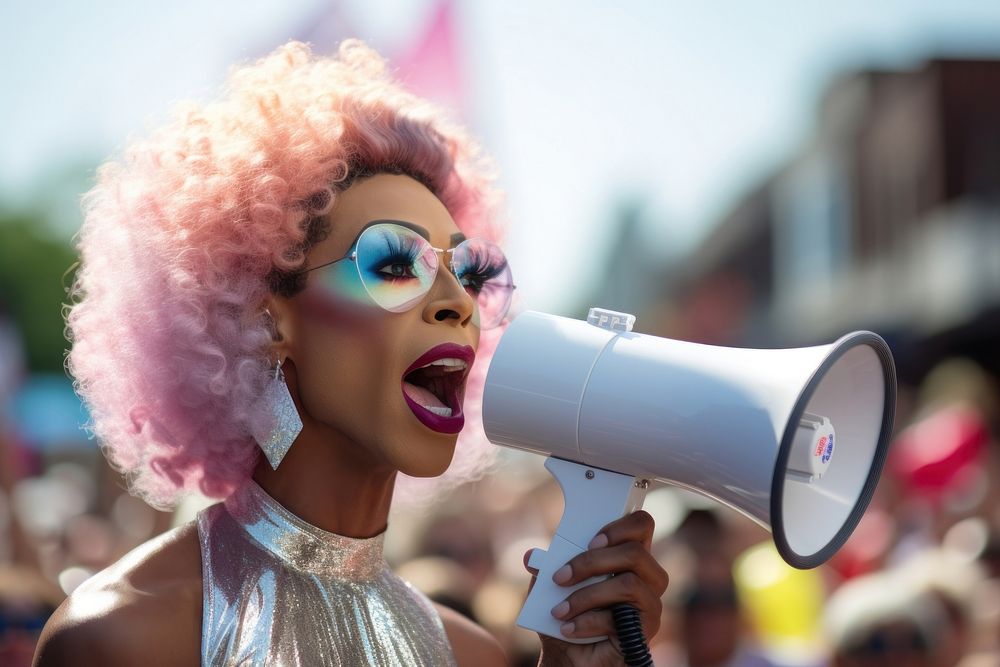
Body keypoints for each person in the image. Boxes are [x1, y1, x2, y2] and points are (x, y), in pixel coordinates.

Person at [32, 41, 667, 666]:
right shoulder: (127, 638)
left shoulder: (471, 653)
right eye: (394, 262)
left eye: (470, 274)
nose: (458, 304)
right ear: (265, 318)